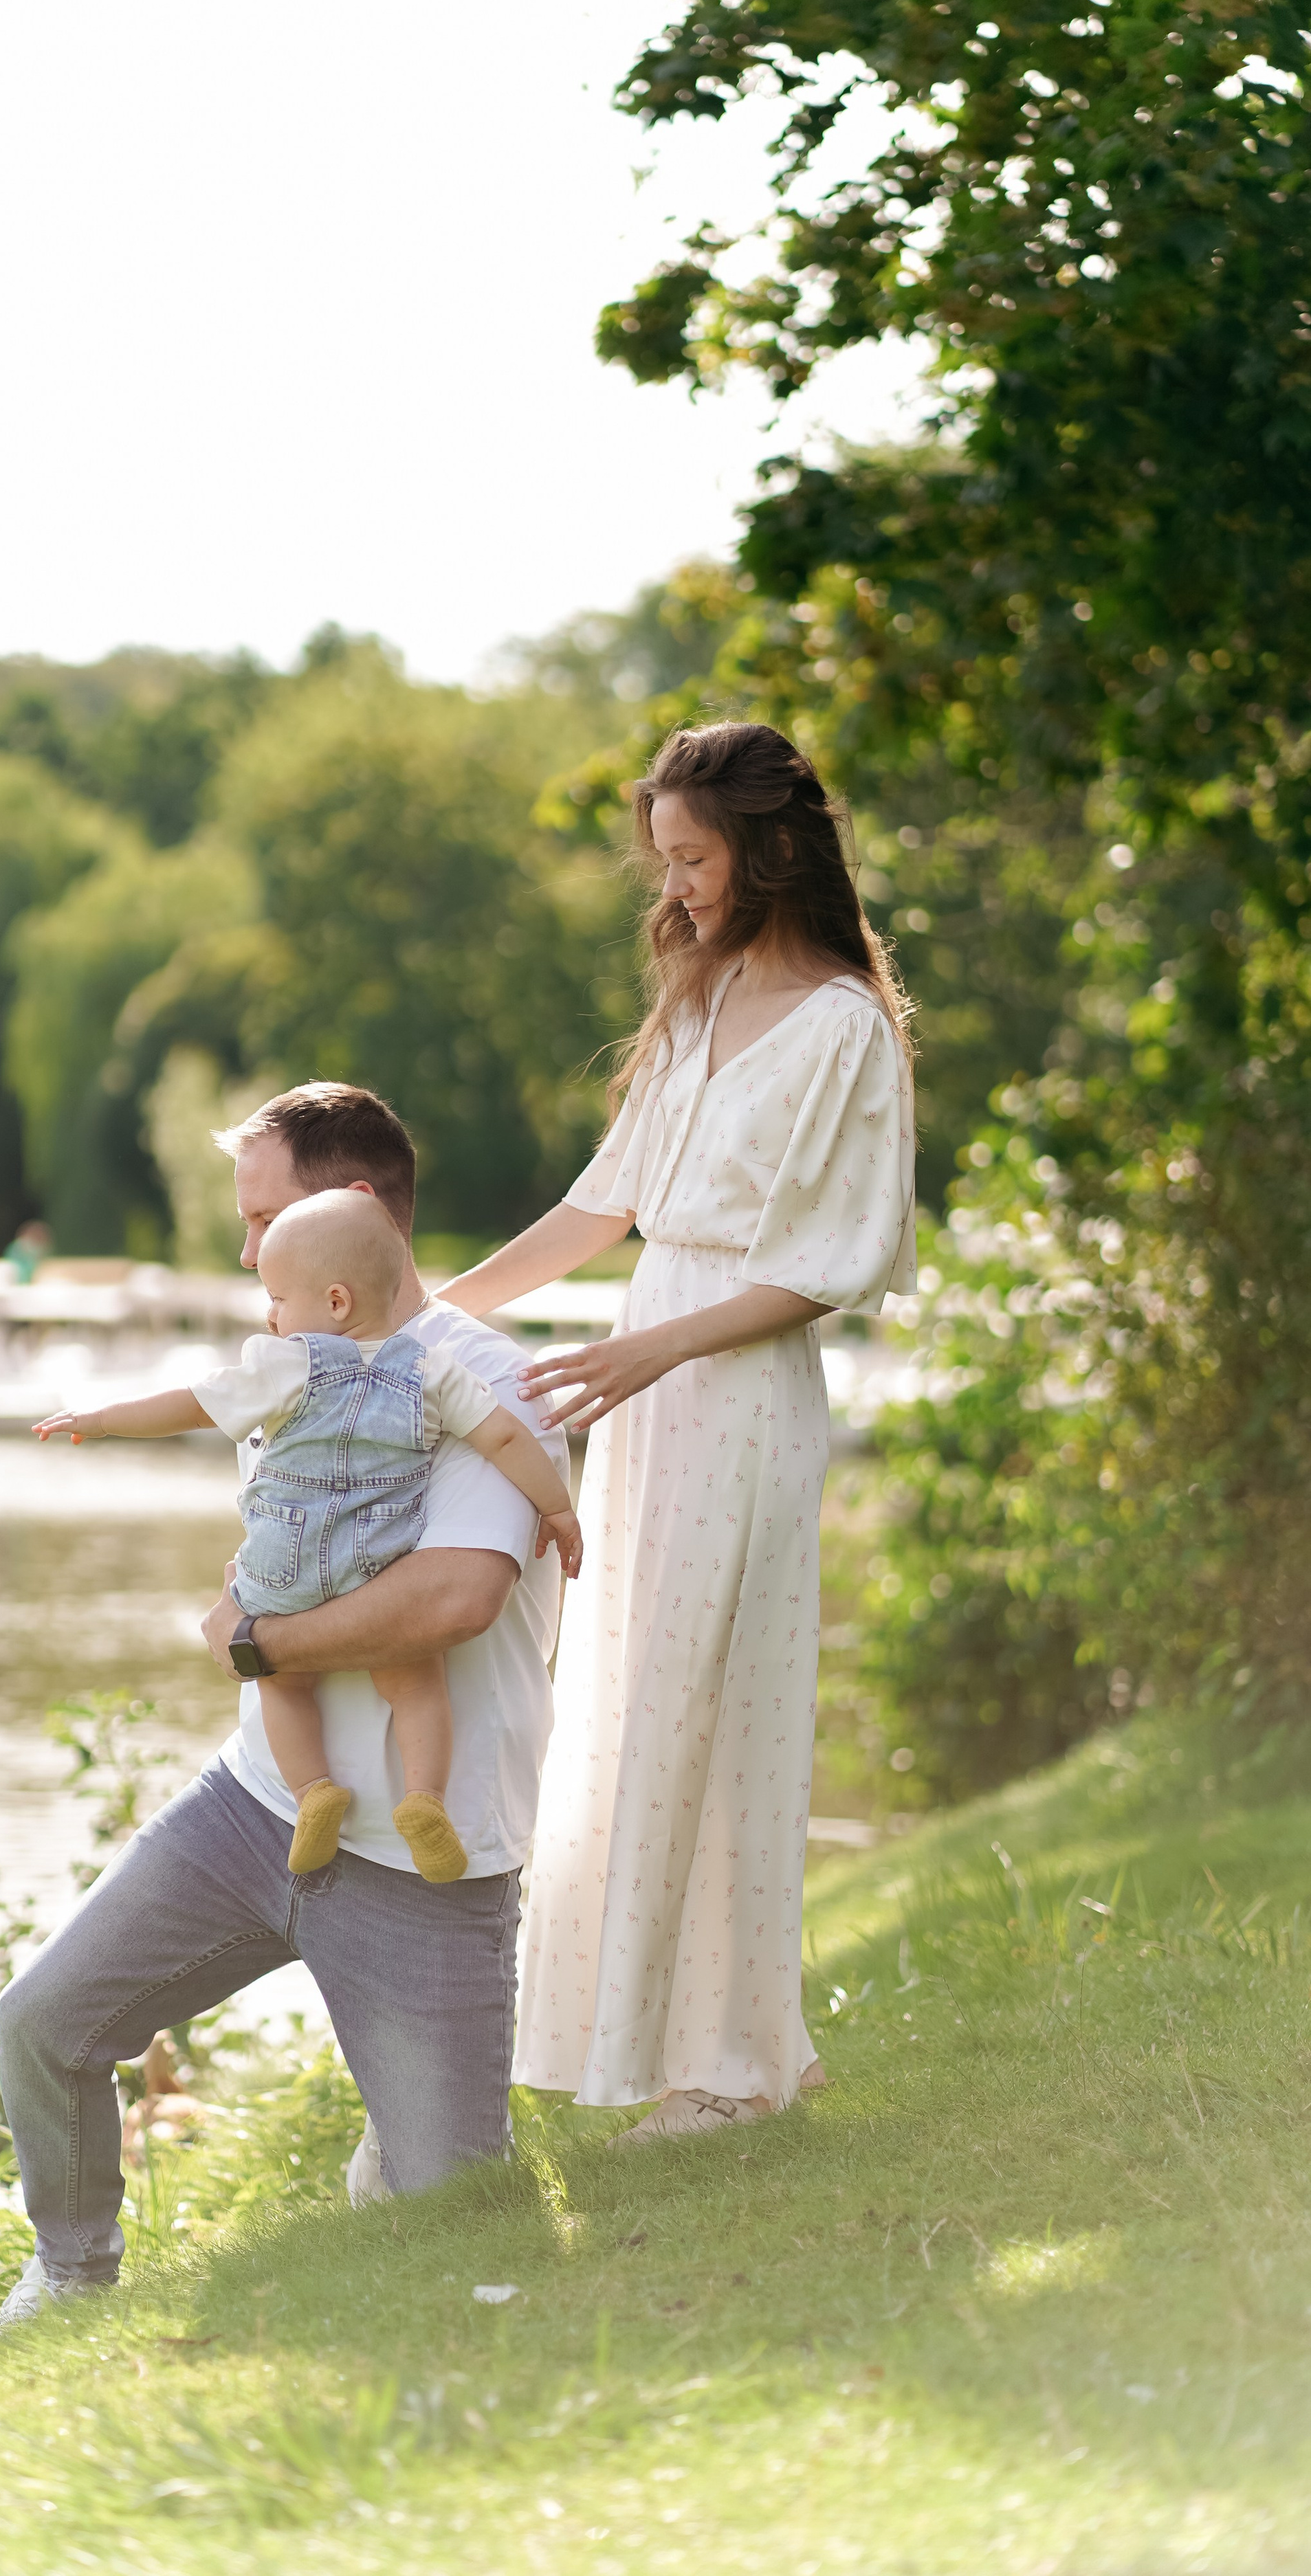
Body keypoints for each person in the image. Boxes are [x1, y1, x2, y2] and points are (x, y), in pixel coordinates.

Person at [0, 1083, 570, 2327]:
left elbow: (457, 1597)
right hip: (257, 1806)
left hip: (425, 1858)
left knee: (455, 2220)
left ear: (353, 1212)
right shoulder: (296, 1358)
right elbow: (291, 1527)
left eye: (264, 1221)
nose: (250, 1251)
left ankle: (403, 2163)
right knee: (44, 2024)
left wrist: (257, 1641)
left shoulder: (481, 1383)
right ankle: (72, 2274)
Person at [439, 722, 916, 2141]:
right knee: (632, 1700)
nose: (680, 887)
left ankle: (727, 2061)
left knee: (725, 1708)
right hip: (644, 1392)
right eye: (667, 861)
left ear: (769, 852)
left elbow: (826, 1261)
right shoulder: (697, 1008)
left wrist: (646, 1346)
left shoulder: (844, 1029)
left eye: (696, 858)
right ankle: (662, 2038)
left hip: (736, 1385)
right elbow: (602, 1210)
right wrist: (420, 1316)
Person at [34, 1188, 581, 1884]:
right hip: (382, 1561)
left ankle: (313, 1790)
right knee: (415, 1683)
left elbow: (193, 1404)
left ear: (335, 1303)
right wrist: (557, 1509)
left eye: (278, 1298)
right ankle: (424, 1800)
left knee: (281, 1679)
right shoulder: (433, 1371)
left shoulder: (286, 1364)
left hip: (284, 1562)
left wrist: (105, 1418)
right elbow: (503, 1435)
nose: (270, 1314)